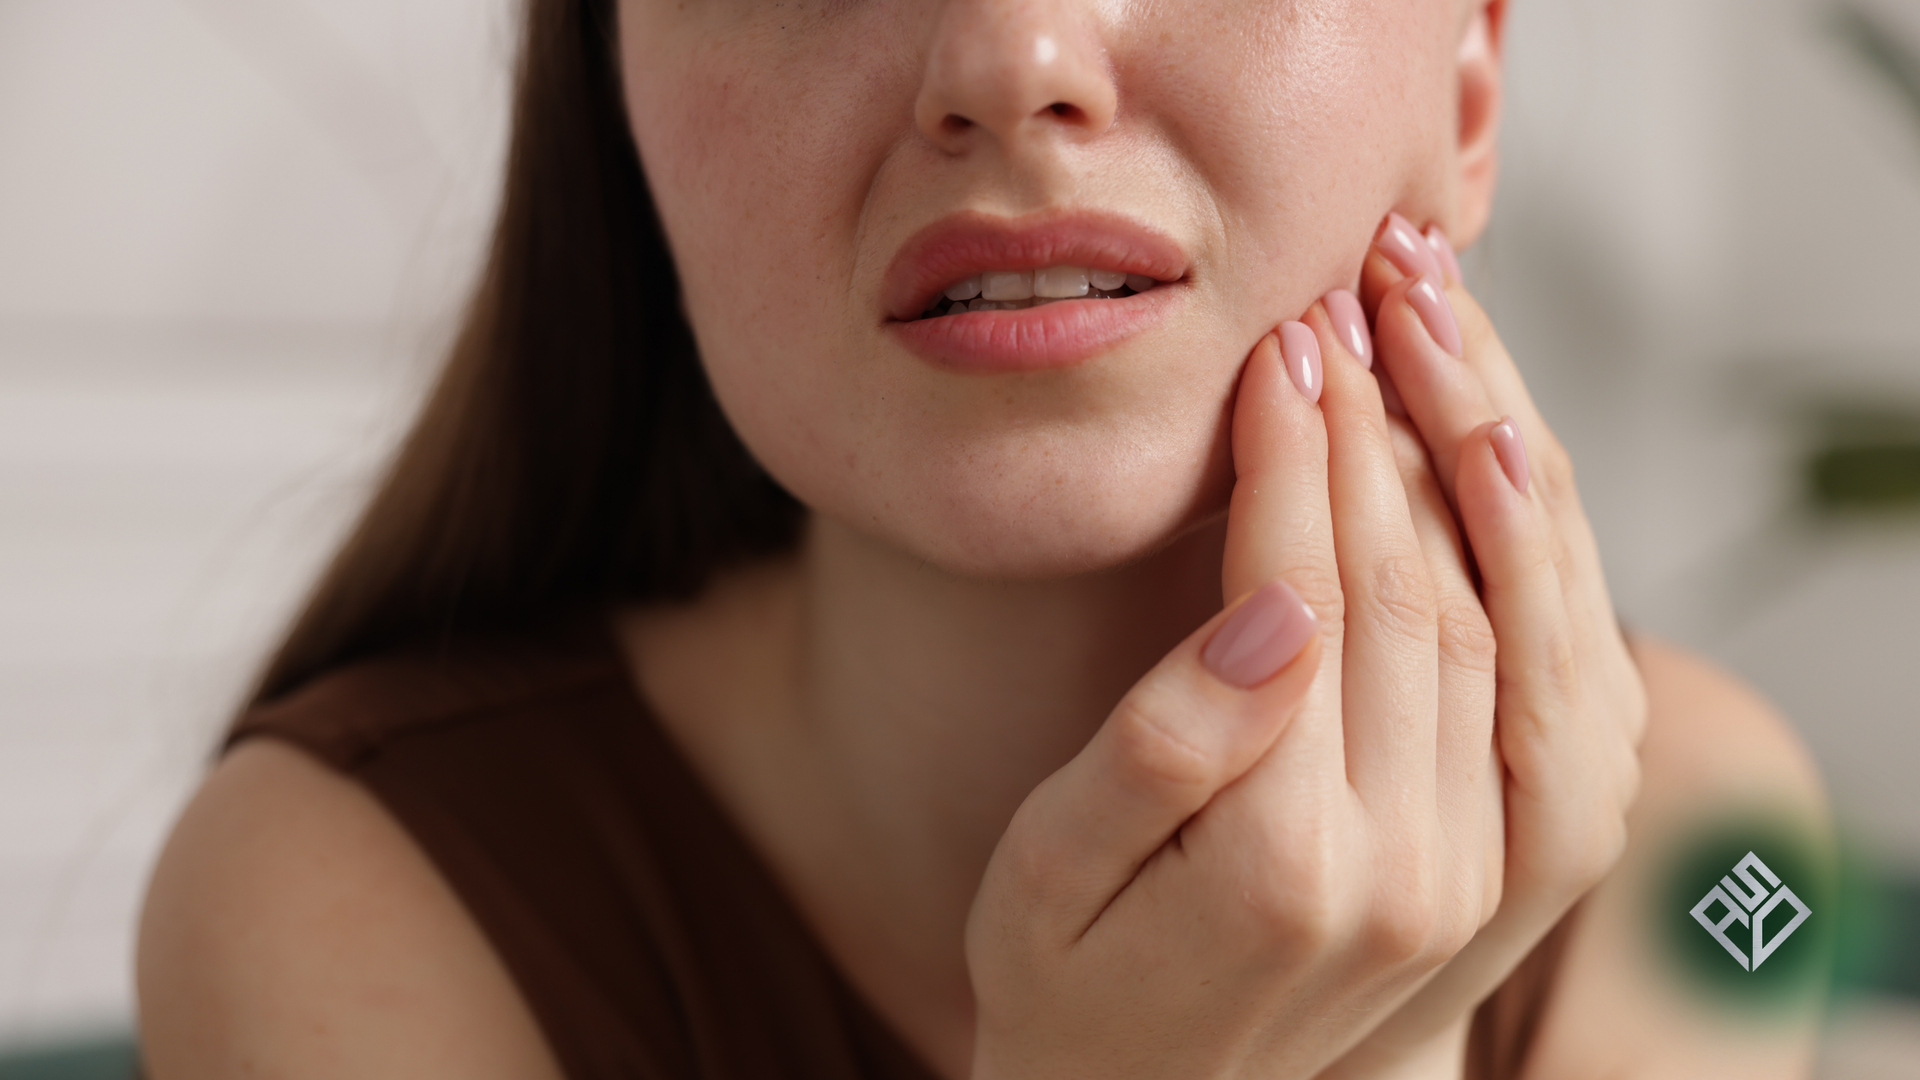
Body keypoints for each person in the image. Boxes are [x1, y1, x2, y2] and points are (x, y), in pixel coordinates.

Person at [134, 0, 1833, 1076]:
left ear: (1467, 85)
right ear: (624, 120)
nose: (1009, 59)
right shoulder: (337, 907)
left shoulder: (1724, 858)